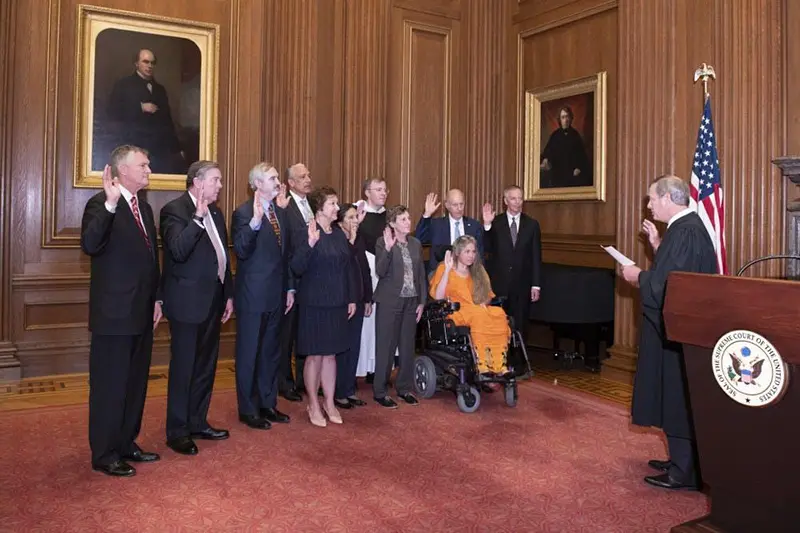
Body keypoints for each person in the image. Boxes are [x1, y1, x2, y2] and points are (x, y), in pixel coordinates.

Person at [619, 175, 717, 491]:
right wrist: (658, 246)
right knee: (674, 394)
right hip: (678, 331)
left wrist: (638, 276)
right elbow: (674, 273)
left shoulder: (686, 231)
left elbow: (667, 287)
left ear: (668, 198)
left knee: (677, 395)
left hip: (679, 334)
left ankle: (683, 470)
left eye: (651, 199)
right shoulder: (681, 230)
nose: (648, 206)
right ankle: (680, 459)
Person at [80, 145, 162, 477]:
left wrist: (157, 299)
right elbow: (90, 244)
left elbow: (150, 261)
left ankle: (127, 441)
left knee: (135, 383)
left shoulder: (144, 207)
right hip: (113, 315)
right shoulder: (101, 204)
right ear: (121, 170)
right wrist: (111, 204)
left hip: (142, 313)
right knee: (109, 386)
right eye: (143, 164)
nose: (148, 169)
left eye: (148, 164)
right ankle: (104, 452)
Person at [160, 160, 234, 455]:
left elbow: (222, 256)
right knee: (184, 368)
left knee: (205, 366)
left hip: (214, 301)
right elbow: (177, 250)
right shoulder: (174, 210)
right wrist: (198, 218)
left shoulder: (216, 211)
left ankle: (197, 421)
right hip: (187, 303)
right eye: (216, 180)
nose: (220, 185)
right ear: (197, 182)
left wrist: (228, 294)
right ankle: (177, 431)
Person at [230, 162, 293, 430]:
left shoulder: (280, 213)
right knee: (249, 353)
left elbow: (286, 256)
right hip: (252, 297)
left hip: (277, 295)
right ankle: (248, 408)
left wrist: (289, 288)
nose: (278, 182)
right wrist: (255, 222)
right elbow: (242, 250)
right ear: (257, 184)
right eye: (272, 178)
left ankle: (268, 403)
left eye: (277, 177)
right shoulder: (243, 213)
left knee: (270, 352)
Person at [290, 186, 357, 427]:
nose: (337, 208)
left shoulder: (338, 233)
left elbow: (347, 267)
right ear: (319, 209)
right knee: (314, 356)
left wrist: (350, 297)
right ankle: (313, 404)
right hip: (314, 303)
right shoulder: (305, 231)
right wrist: (309, 244)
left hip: (337, 303)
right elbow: (296, 267)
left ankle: (329, 402)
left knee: (330, 356)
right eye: (332, 204)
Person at [430, 236, 511, 378]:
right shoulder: (444, 267)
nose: (471, 255)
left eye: (473, 251)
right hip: (455, 311)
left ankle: (500, 364)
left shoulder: (478, 270)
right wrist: (448, 270)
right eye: (467, 251)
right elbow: (438, 297)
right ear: (457, 252)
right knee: (479, 315)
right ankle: (483, 365)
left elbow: (488, 295)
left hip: (476, 309)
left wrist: (483, 303)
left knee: (499, 313)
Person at [482, 185, 541, 374]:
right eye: (513, 199)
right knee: (498, 325)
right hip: (499, 285)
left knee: (520, 325)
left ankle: (519, 365)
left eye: (520, 198)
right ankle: (498, 363)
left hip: (522, 285)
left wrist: (536, 284)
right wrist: (487, 226)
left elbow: (536, 257)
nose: (518, 202)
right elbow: (487, 248)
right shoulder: (496, 222)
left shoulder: (532, 225)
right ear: (505, 201)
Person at [373, 205, 427, 408]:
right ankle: (380, 391)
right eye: (403, 219)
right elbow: (380, 271)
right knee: (386, 348)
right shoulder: (383, 242)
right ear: (393, 223)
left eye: (408, 218)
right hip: (389, 301)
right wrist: (387, 248)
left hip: (411, 302)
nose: (408, 222)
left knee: (407, 348)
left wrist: (422, 301)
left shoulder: (415, 243)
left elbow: (420, 274)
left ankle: (404, 388)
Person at [106, 49, 185, 174]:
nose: (149, 66)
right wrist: (140, 107)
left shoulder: (160, 89)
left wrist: (176, 149)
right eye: (145, 62)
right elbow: (113, 112)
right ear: (136, 63)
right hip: (133, 146)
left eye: (152, 63)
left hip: (158, 149)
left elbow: (167, 121)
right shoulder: (124, 85)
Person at [278, 163, 313, 401]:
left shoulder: (312, 205)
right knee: (286, 336)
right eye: (302, 177)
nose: (308, 179)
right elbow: (285, 250)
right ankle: (285, 382)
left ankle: (304, 380)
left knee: (306, 334)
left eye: (308, 175)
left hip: (312, 281)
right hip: (291, 280)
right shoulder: (284, 207)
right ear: (290, 183)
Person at [334, 203, 372, 409]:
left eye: (356, 217)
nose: (355, 221)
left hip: (358, 299)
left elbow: (364, 269)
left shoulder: (359, 238)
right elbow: (343, 267)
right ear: (340, 222)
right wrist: (350, 240)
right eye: (350, 217)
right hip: (342, 301)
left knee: (354, 347)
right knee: (343, 348)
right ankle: (339, 392)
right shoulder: (338, 238)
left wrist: (368, 297)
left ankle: (349, 389)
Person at [355, 178, 388, 381]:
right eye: (379, 189)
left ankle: (376, 368)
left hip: (384, 270)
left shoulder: (388, 215)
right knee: (365, 321)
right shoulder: (358, 212)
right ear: (367, 192)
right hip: (364, 269)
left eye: (385, 190)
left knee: (380, 321)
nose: (383, 193)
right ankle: (359, 367)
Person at [416, 188, 484, 273]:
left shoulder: (474, 226)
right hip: (441, 273)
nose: (459, 208)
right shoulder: (436, 225)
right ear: (447, 205)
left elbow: (480, 254)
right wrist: (427, 214)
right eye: (455, 205)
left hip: (467, 274)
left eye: (461, 204)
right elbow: (419, 238)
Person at [539, 105, 592, 188]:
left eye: (567, 117)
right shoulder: (555, 135)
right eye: (563, 117)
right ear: (560, 120)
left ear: (570, 119)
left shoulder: (575, 135)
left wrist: (578, 168)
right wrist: (545, 159)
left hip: (572, 173)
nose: (566, 120)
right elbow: (548, 151)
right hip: (557, 173)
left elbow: (582, 156)